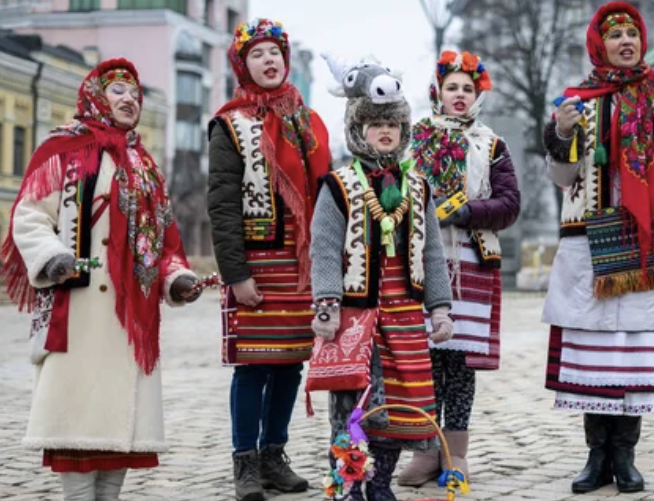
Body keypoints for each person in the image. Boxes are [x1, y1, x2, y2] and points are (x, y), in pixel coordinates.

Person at [0, 58, 200, 501]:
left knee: (119, 429)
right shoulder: (62, 151)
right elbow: (30, 216)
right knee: (77, 418)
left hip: (132, 317)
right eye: (118, 92)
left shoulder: (145, 166)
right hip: (80, 308)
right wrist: (53, 259)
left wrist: (177, 280)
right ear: (94, 96)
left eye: (135, 94)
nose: (129, 99)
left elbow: (165, 242)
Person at [541, 1, 654, 494]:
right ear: (600, 44)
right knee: (595, 351)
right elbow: (562, 177)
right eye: (615, 34)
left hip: (644, 244)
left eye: (632, 34)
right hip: (590, 246)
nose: (625, 42)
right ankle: (597, 457)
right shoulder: (577, 101)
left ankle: (626, 457)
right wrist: (564, 132)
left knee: (633, 352)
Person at [310, 56, 455, 501]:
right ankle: (351, 482)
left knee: (399, 404)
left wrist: (440, 306)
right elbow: (324, 247)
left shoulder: (419, 187)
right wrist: (328, 303)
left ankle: (382, 482)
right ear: (358, 130)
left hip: (405, 314)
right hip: (356, 316)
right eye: (375, 124)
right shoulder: (338, 185)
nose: (385, 131)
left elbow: (432, 250)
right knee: (355, 402)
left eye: (392, 123)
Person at [207, 17, 331, 501]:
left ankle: (273, 455)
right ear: (243, 65)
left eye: (275, 52)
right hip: (258, 264)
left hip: (299, 264)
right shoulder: (229, 124)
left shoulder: (307, 121)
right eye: (257, 54)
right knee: (253, 365)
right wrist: (235, 274)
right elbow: (221, 205)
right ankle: (244, 462)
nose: (269, 60)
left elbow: (326, 194)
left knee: (290, 364)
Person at [398, 50, 520, 486]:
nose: (460, 95)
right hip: (422, 260)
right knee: (425, 360)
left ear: (477, 95)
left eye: (468, 89)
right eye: (453, 87)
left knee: (460, 364)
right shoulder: (413, 139)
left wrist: (465, 210)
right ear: (438, 91)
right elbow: (395, 189)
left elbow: (509, 204)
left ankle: (457, 453)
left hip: (470, 260)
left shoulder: (491, 144)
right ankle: (425, 451)